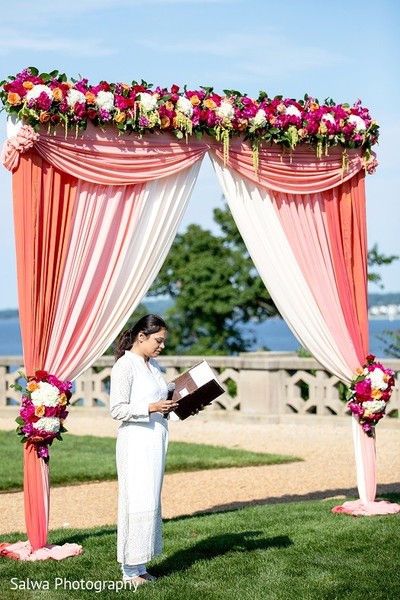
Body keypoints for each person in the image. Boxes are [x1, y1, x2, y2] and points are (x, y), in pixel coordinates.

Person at [110, 314, 178, 586]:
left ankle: (141, 564)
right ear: (142, 336)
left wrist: (180, 398)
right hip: (136, 441)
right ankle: (128, 569)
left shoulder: (153, 365)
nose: (162, 346)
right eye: (158, 341)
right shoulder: (125, 366)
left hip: (156, 439)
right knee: (135, 501)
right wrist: (151, 408)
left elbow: (159, 396)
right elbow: (117, 409)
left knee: (150, 501)